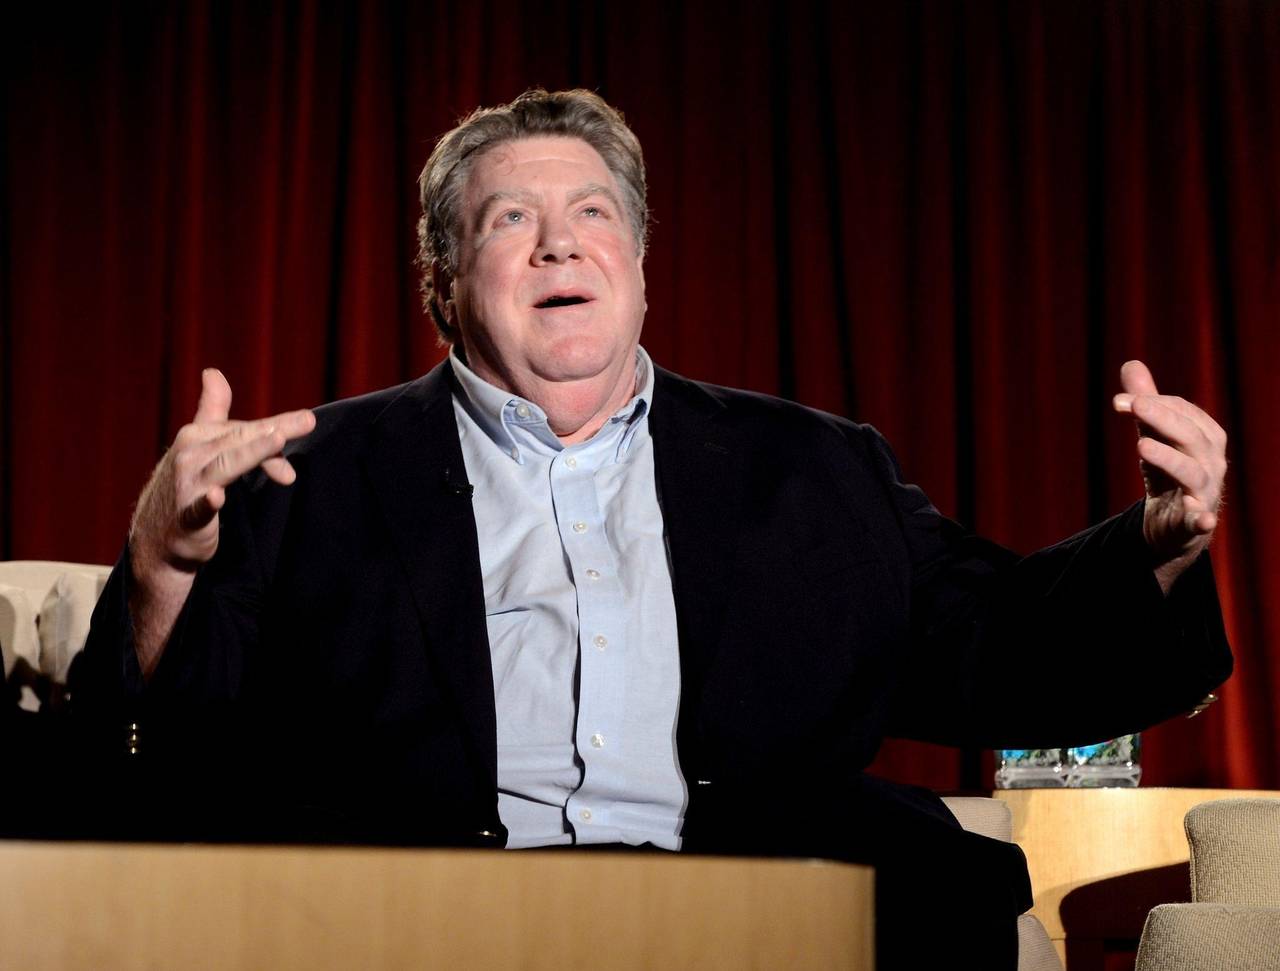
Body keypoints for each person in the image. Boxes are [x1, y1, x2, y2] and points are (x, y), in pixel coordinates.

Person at [72, 89, 1232, 968]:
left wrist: (1159, 542)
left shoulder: (813, 468)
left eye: (592, 214)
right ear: (442, 280)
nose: (558, 243)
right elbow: (165, 762)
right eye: (510, 220)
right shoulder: (304, 471)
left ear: (636, 265)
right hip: (421, 918)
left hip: (763, 907)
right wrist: (163, 563)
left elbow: (993, 646)